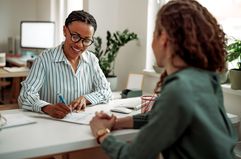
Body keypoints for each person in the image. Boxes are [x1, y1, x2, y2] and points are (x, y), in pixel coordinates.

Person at [90, 0, 237, 158]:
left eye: (154, 34)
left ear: (164, 39)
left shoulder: (178, 89)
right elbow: (162, 117)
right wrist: (117, 122)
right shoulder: (205, 79)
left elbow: (132, 156)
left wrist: (101, 133)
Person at [18, 10, 112, 119]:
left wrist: (86, 99)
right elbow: (25, 96)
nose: (80, 45)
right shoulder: (44, 59)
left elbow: (106, 91)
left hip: (80, 123)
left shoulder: (91, 59)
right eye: (75, 36)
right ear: (65, 30)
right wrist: (48, 108)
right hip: (51, 124)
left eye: (86, 40)